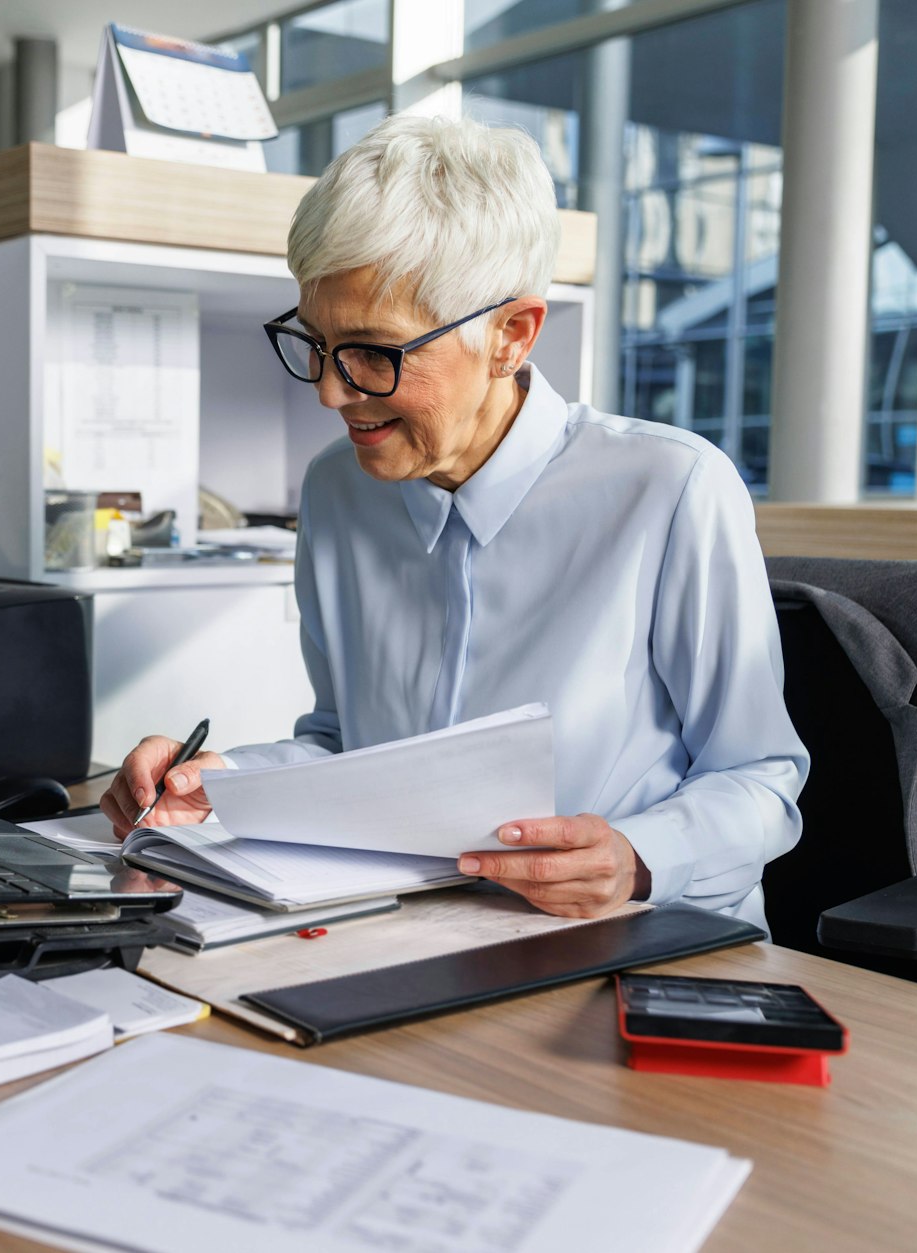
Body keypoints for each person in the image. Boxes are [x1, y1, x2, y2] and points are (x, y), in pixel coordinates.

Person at [100, 112, 808, 930]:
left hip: (627, 940)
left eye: (373, 351)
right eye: (317, 343)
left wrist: (637, 855)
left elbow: (760, 777)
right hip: (409, 932)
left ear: (511, 334)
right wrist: (214, 779)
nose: (331, 391)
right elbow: (344, 745)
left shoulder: (672, 487)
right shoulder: (338, 489)